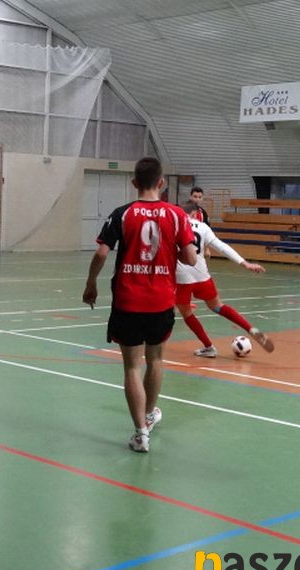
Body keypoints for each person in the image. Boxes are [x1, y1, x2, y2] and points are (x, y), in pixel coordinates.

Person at [83, 157, 196, 454]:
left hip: (128, 300)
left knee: (132, 366)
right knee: (156, 360)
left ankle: (140, 433)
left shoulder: (122, 214)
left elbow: (101, 253)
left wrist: (91, 283)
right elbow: (190, 258)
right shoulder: (176, 215)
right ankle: (148, 415)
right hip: (161, 300)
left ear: (134, 183)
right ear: (161, 183)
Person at [175, 201, 275, 358]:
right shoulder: (203, 227)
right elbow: (222, 247)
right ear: (195, 214)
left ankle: (209, 347)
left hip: (182, 278)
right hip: (202, 276)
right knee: (217, 306)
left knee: (187, 313)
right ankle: (250, 329)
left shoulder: (175, 225)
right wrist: (245, 263)